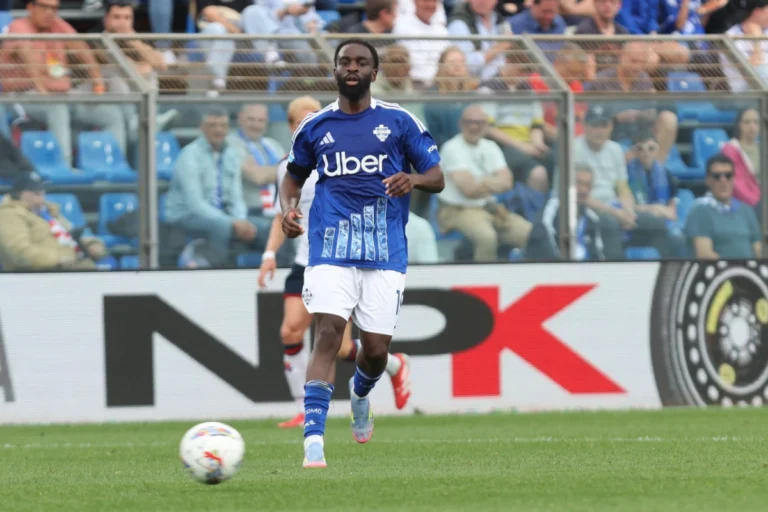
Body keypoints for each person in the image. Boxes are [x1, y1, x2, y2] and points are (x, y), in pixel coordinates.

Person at [280, 39, 444, 468]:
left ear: (374, 73)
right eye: (345, 62)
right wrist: (288, 210)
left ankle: (360, 393)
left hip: (384, 250)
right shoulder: (316, 126)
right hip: (330, 248)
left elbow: (437, 175)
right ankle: (313, 443)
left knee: (374, 351)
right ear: (334, 71)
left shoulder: (398, 121)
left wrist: (413, 180)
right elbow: (292, 177)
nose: (352, 68)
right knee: (329, 334)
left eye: (361, 62)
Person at [257, 95, 413, 429]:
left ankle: (393, 365)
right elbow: (282, 214)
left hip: (341, 259)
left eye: (314, 116)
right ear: (291, 126)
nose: (311, 123)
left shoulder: (344, 154)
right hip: (306, 261)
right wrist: (269, 254)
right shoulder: (288, 167)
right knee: (290, 330)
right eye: (302, 119)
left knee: (339, 348)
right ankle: (303, 408)